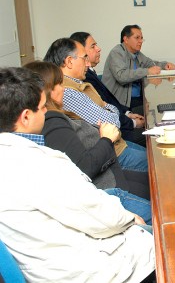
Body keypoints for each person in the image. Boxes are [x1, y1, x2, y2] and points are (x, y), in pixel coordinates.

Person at [0, 67, 155, 282]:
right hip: (91, 269)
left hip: (48, 266)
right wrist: (129, 219)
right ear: (26, 117)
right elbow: (99, 216)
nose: (46, 112)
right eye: (42, 107)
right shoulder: (40, 164)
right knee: (174, 238)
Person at [24, 61, 151, 224]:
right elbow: (84, 167)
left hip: (110, 174)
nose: (63, 89)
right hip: (106, 188)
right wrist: (106, 139)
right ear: (46, 91)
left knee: (154, 185)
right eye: (58, 85)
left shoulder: (58, 114)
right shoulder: (52, 121)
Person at [44, 38, 149, 173]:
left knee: (152, 153)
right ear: (69, 61)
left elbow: (108, 110)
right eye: (84, 58)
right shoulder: (68, 91)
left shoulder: (78, 84)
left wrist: (108, 108)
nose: (87, 63)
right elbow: (112, 123)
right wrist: (107, 108)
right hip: (112, 154)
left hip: (117, 145)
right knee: (158, 163)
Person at [70, 31, 146, 147]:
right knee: (153, 134)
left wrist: (128, 113)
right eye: (93, 46)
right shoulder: (84, 79)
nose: (99, 49)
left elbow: (109, 101)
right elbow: (105, 110)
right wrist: (133, 122)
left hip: (120, 117)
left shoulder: (90, 73)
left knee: (150, 113)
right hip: (116, 132)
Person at [103, 24, 175, 113]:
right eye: (137, 38)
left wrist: (165, 65)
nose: (141, 41)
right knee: (156, 113)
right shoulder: (117, 53)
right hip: (119, 104)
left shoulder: (137, 54)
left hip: (136, 100)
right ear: (126, 39)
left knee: (162, 107)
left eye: (141, 38)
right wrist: (147, 71)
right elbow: (121, 76)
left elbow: (151, 64)